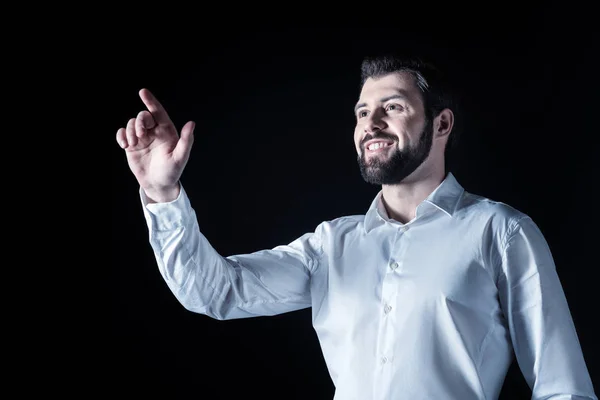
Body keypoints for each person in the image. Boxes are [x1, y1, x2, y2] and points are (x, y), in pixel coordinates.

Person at [116, 54, 597, 400]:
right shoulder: (330, 245)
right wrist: (163, 196)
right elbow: (217, 292)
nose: (372, 123)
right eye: (363, 112)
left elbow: (563, 388)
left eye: (394, 107)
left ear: (442, 124)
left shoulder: (501, 232)